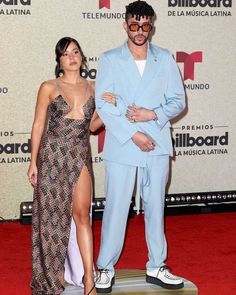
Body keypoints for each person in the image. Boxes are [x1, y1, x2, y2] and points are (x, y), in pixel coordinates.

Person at [95, 1, 186, 293]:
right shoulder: (110, 59)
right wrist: (134, 133)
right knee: (116, 208)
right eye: (134, 25)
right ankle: (105, 268)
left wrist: (152, 114)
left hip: (157, 142)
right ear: (125, 25)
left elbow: (178, 101)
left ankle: (157, 265)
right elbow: (103, 106)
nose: (140, 31)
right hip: (124, 144)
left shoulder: (165, 58)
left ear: (152, 26)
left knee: (156, 207)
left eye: (145, 26)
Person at [27, 36, 111, 295]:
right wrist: (33, 162)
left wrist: (108, 107)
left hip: (79, 153)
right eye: (66, 54)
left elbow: (93, 127)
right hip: (52, 155)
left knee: (83, 216)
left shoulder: (95, 88)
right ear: (59, 61)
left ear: (82, 57)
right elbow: (39, 125)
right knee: (51, 219)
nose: (72, 57)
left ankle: (89, 280)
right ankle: (53, 276)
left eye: (76, 52)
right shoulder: (49, 87)